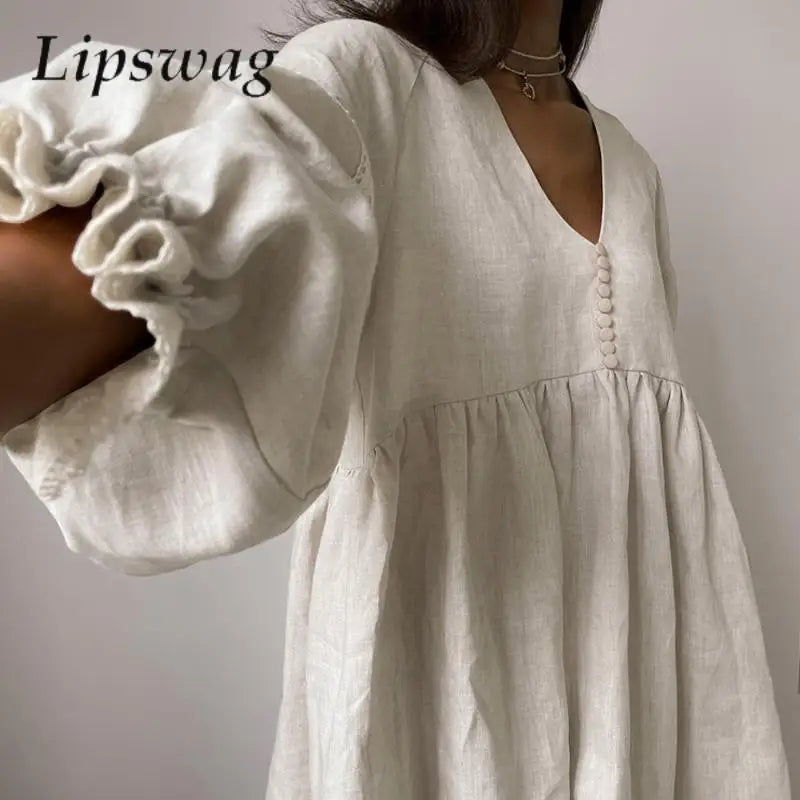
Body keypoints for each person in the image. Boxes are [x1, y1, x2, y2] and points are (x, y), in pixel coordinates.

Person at [0, 2, 791, 798]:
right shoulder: (365, 80)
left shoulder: (632, 166)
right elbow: (204, 220)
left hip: (640, 683)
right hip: (443, 703)